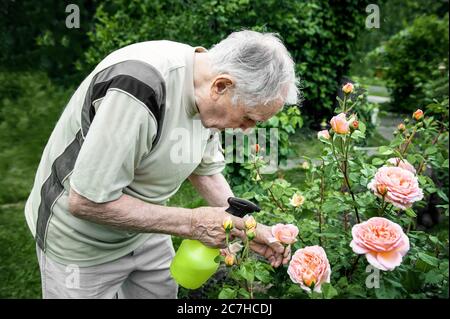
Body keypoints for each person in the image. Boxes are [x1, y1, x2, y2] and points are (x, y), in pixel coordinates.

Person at [24, 30, 299, 299]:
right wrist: (193, 223)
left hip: (146, 230)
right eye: (248, 118)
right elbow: (85, 201)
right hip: (80, 243)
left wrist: (251, 231)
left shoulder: (208, 91)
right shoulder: (140, 90)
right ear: (221, 86)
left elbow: (206, 174)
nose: (248, 130)